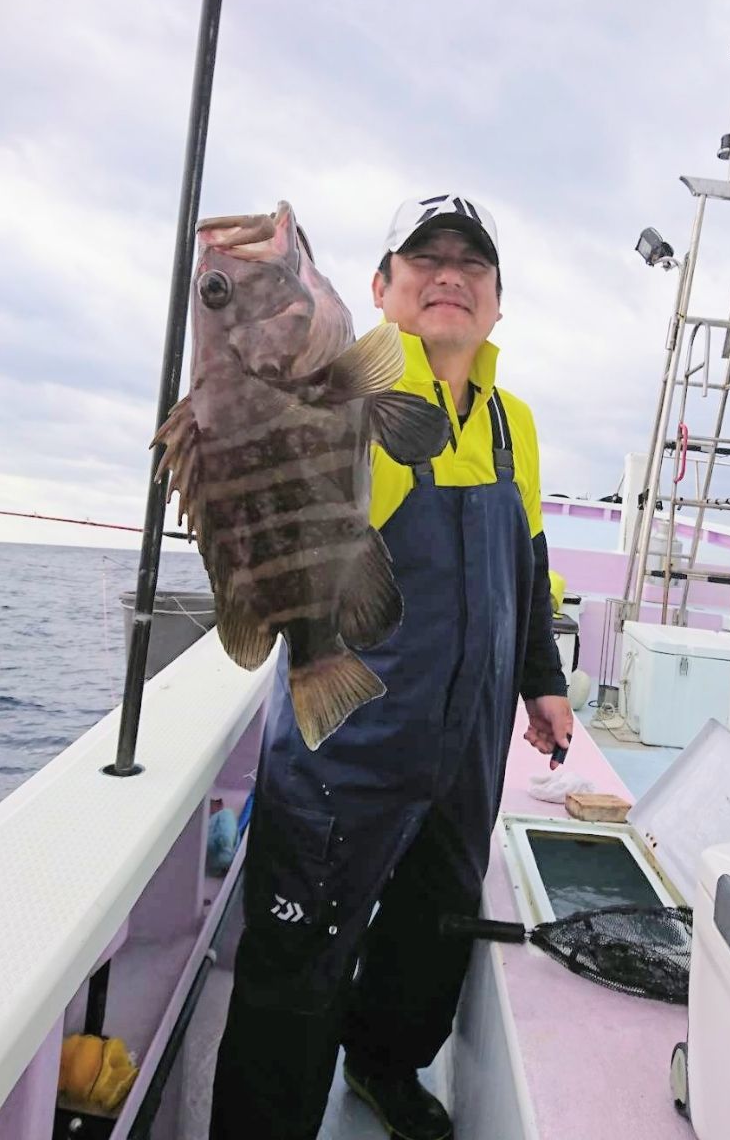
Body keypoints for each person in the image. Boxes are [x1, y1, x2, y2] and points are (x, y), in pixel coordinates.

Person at [210, 193, 573, 1140]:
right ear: (379, 289)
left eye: (473, 264)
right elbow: (254, 413)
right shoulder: (339, 388)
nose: (450, 274)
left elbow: (526, 564)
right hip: (347, 740)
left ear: (498, 303)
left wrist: (543, 681)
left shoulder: (514, 425)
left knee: (432, 936)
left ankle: (382, 1066)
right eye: (423, 260)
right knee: (296, 971)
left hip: (468, 743)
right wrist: (249, 285)